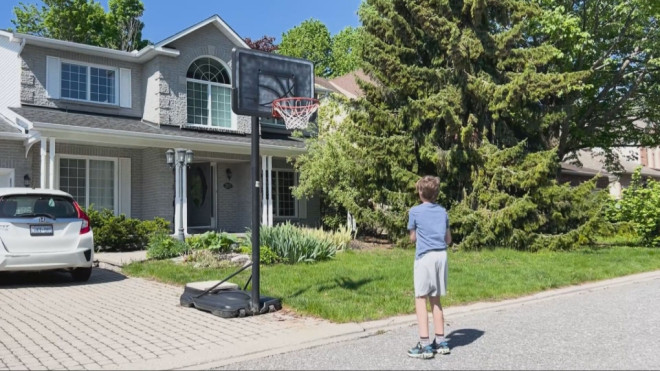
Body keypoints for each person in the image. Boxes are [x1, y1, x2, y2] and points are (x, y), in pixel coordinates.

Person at [406, 175, 452, 359]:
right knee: (436, 299)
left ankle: (425, 344)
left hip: (425, 257)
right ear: (436, 194)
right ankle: (441, 342)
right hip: (441, 256)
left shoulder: (415, 212)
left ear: (419, 192)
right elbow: (448, 239)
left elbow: (412, 238)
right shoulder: (443, 212)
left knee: (420, 298)